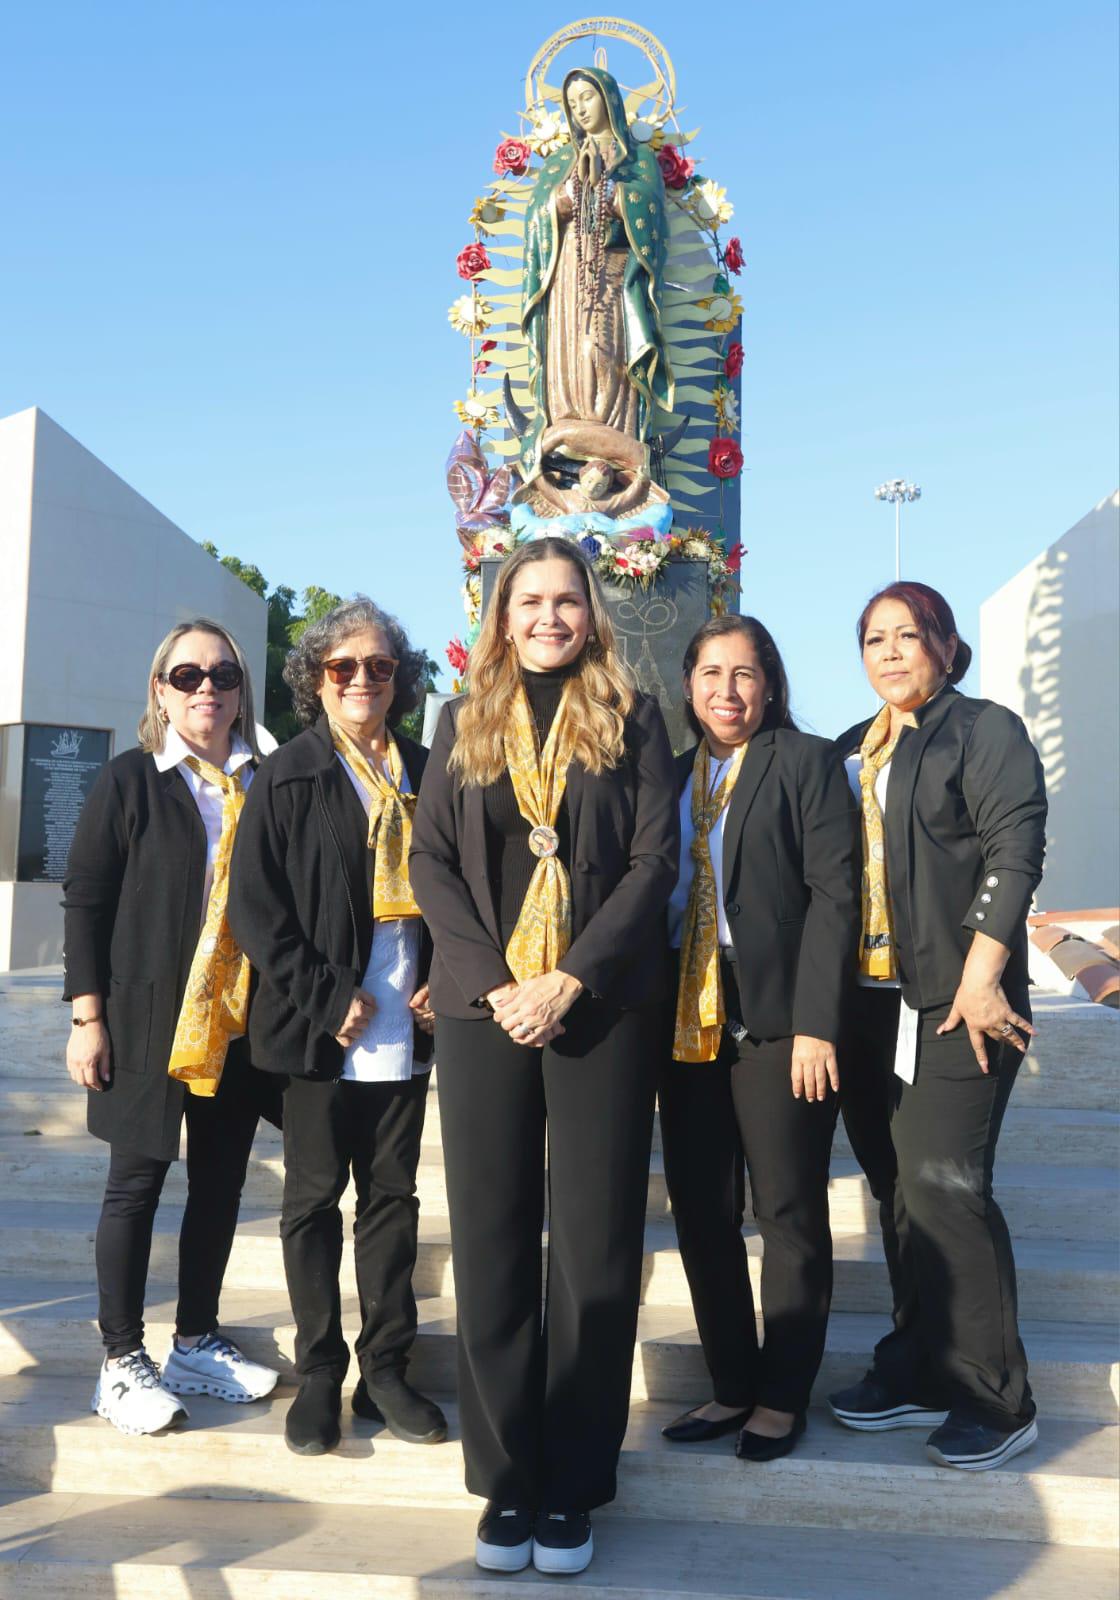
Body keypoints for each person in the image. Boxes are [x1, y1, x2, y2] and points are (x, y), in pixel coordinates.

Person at [409, 536, 678, 1577]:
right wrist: (494, 983)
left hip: (597, 1008)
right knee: (490, 1241)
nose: (550, 617)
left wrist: (570, 977)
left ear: (590, 614)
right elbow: (431, 861)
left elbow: (655, 861)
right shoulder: (459, 718)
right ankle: (508, 1478)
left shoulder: (632, 717)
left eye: (567, 600)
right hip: (487, 1014)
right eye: (531, 601)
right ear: (502, 614)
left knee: (596, 1247)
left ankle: (573, 1481)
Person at [827, 581, 1046, 1471]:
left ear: (946, 648)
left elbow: (1015, 845)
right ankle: (917, 1364)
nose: (889, 652)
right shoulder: (853, 751)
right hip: (871, 1010)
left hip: (962, 1005)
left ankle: (997, 1398)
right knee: (900, 1194)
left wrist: (985, 975)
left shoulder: (981, 730)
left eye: (907, 635)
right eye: (873, 638)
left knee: (948, 1189)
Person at [227, 597, 446, 1458]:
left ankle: (385, 1368)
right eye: (343, 667)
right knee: (313, 1202)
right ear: (315, 679)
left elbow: (464, 891)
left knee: (391, 1202)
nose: (362, 680)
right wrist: (326, 994)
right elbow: (256, 907)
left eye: (380, 667)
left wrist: (444, 973)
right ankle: (319, 1371)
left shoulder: (430, 768)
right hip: (320, 1029)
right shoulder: (288, 775)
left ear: (401, 680)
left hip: (407, 1024)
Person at [63, 620, 279, 1437]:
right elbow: (86, 901)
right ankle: (120, 1362)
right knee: (137, 1186)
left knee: (219, 1184)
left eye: (222, 675)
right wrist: (88, 1016)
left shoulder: (266, 779)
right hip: (147, 1018)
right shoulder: (131, 781)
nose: (207, 690)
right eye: (187, 675)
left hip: (237, 1022)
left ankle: (194, 1340)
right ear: (160, 688)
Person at [658, 615, 859, 1461]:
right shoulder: (667, 775)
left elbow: (834, 898)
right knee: (704, 1215)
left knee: (787, 1212)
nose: (726, 691)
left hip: (780, 1018)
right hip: (685, 1012)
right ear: (689, 683)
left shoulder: (803, 764)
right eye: (710, 673)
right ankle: (731, 1384)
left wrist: (818, 1024)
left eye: (744, 674)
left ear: (769, 683)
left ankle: (782, 1396)